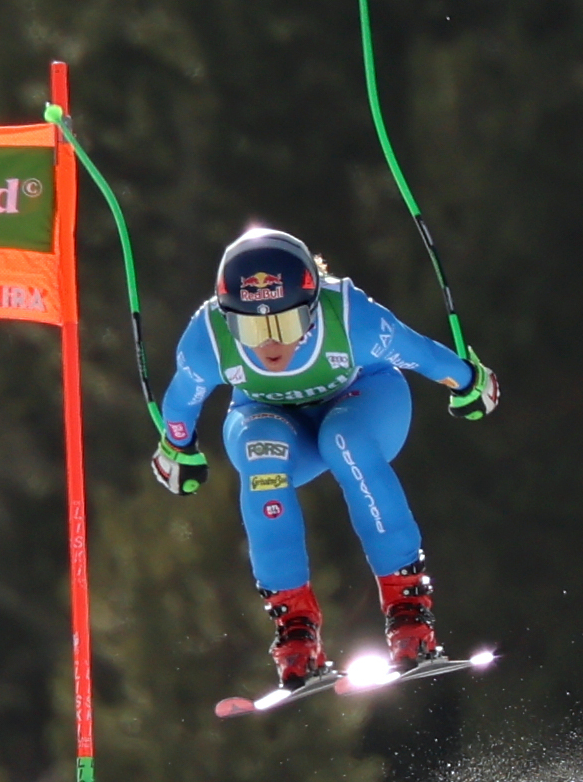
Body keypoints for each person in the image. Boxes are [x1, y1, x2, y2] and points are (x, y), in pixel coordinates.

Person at [152, 225, 497, 689]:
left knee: (345, 440)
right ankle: (294, 629)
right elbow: (181, 401)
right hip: (270, 417)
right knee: (260, 455)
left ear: (313, 308)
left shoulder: (349, 315)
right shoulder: (209, 336)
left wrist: (470, 383)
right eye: (251, 328)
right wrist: (178, 449)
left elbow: (420, 353)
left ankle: (409, 613)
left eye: (286, 325)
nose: (269, 344)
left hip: (364, 400)